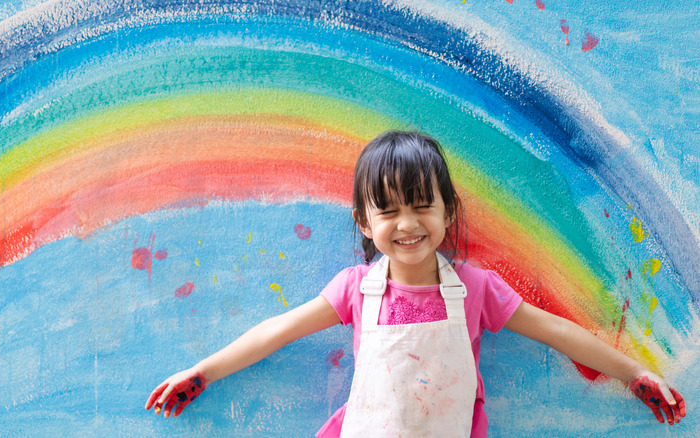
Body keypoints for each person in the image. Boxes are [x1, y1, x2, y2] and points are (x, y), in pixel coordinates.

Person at [145, 131, 686, 436]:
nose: (407, 224)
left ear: (447, 211)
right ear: (365, 221)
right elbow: (277, 332)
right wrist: (202, 372)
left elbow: (559, 334)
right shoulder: (356, 288)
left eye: (422, 206)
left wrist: (633, 372)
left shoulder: (476, 289)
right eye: (389, 211)